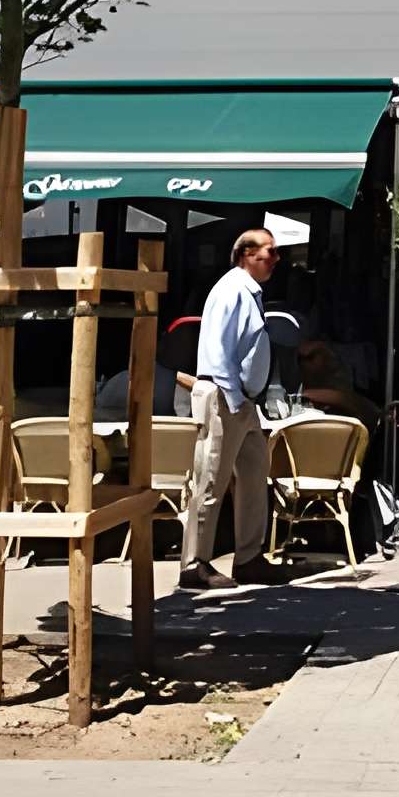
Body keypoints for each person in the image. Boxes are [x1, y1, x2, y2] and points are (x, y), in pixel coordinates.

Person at [180, 229, 284, 592]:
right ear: (246, 254)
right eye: (269, 252)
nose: (275, 259)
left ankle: (249, 557)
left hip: (241, 399)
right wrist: (235, 398)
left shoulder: (247, 292)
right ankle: (195, 564)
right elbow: (219, 348)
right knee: (210, 479)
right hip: (226, 396)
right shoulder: (232, 290)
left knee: (254, 473)